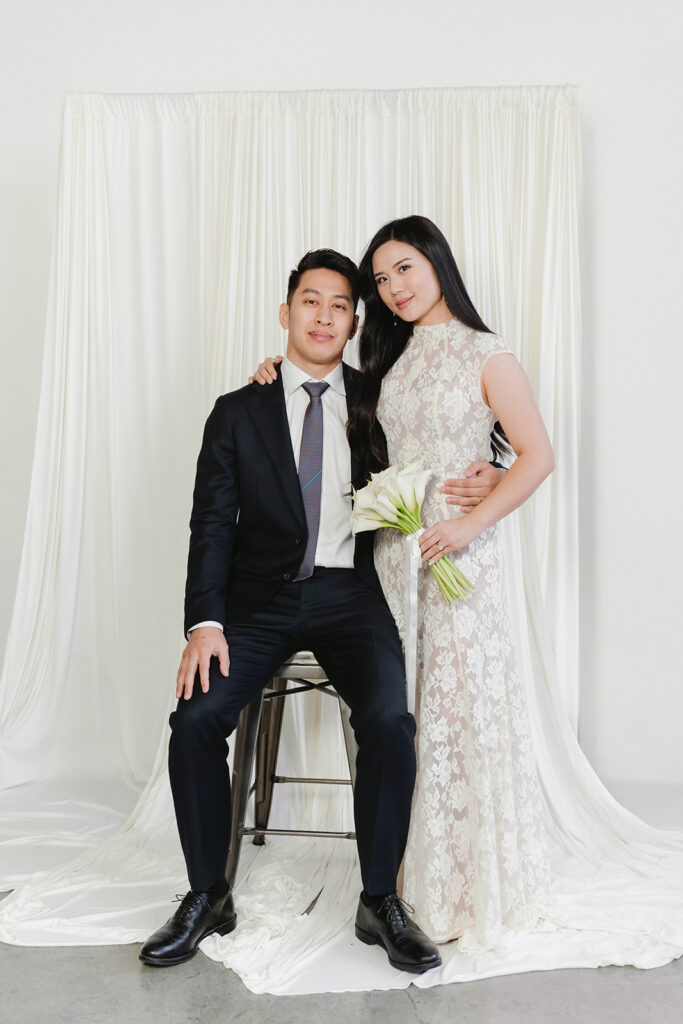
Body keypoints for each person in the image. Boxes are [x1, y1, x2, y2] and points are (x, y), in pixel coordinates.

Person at [251, 215, 554, 944]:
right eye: (380, 280)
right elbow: (327, 405)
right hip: (390, 558)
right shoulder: (387, 362)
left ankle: (459, 887)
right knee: (404, 711)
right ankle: (396, 878)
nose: (391, 289)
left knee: (454, 713)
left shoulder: (487, 353)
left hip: (457, 557)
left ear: (437, 263)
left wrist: (470, 520)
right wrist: (272, 376)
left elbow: (537, 456)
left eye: (403, 270)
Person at [139, 249, 443, 972]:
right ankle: (208, 893)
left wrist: (494, 463)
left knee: (388, 720)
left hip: (350, 597)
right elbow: (210, 523)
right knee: (195, 719)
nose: (324, 315)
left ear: (354, 322)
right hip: (257, 603)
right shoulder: (238, 410)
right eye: (311, 301)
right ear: (286, 314)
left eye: (339, 305)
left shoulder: (377, 401)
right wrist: (204, 623)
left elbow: (447, 433)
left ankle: (379, 900)